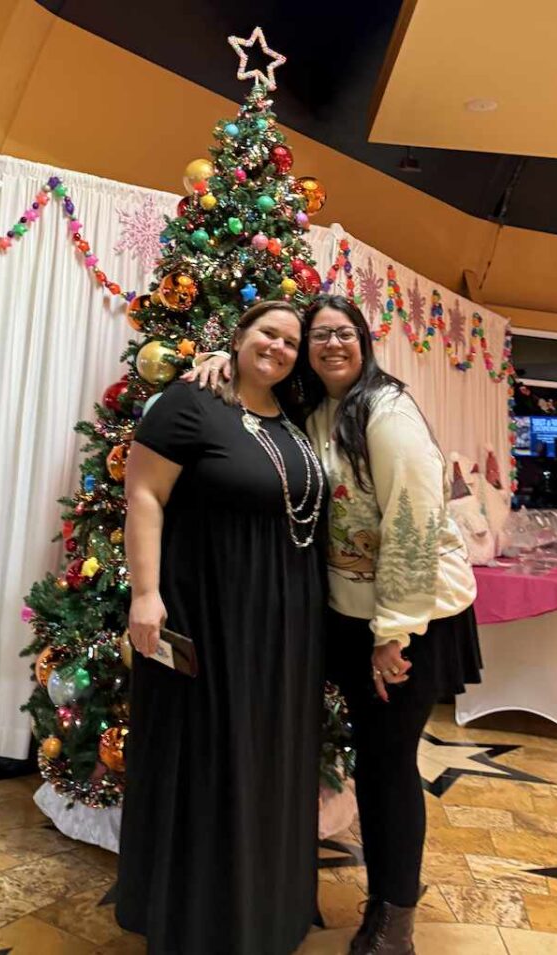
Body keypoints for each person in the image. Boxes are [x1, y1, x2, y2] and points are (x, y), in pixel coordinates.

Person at [190, 295, 481, 955]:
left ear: (364, 341)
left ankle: (395, 922)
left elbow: (413, 520)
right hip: (350, 615)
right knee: (373, 762)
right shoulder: (317, 407)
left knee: (387, 764)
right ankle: (381, 901)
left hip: (411, 619)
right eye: (318, 336)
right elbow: (259, 393)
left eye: (341, 333)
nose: (329, 345)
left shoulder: (386, 413)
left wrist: (393, 633)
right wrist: (221, 359)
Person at [117, 301, 328, 955]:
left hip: (285, 624)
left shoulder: (293, 419)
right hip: (211, 610)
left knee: (268, 759)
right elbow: (143, 493)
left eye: (291, 340)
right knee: (212, 755)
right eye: (267, 332)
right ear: (237, 338)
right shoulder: (189, 404)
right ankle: (202, 921)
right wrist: (146, 595)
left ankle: (264, 909)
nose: (279, 346)